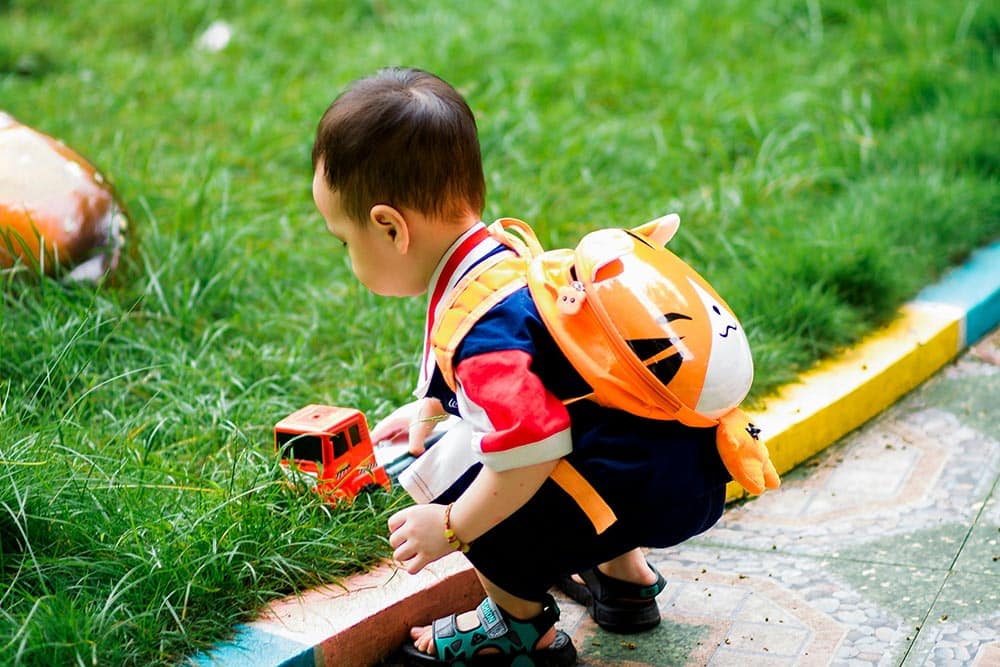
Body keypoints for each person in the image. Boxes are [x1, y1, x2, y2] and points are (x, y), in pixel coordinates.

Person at [311, 67, 733, 667]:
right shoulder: (504, 252)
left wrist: (451, 526)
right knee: (521, 433)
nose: (347, 256)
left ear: (389, 227)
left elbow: (531, 446)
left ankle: (517, 631)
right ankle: (623, 579)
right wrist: (432, 401)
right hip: (676, 468)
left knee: (453, 468)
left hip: (648, 489)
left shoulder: (483, 335)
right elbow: (542, 368)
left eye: (343, 241)